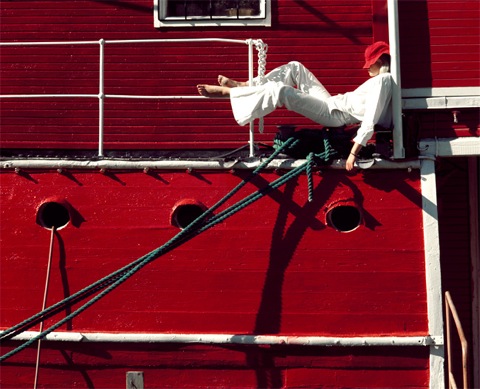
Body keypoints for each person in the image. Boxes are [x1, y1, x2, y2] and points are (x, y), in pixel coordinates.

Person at [197, 41, 393, 171]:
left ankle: (229, 93)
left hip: (333, 115)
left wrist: (352, 155)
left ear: (381, 62)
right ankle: (245, 85)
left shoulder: (383, 81)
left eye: (371, 65)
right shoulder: (382, 81)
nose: (368, 70)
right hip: (331, 102)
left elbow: (370, 119)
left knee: (283, 91)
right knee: (295, 68)